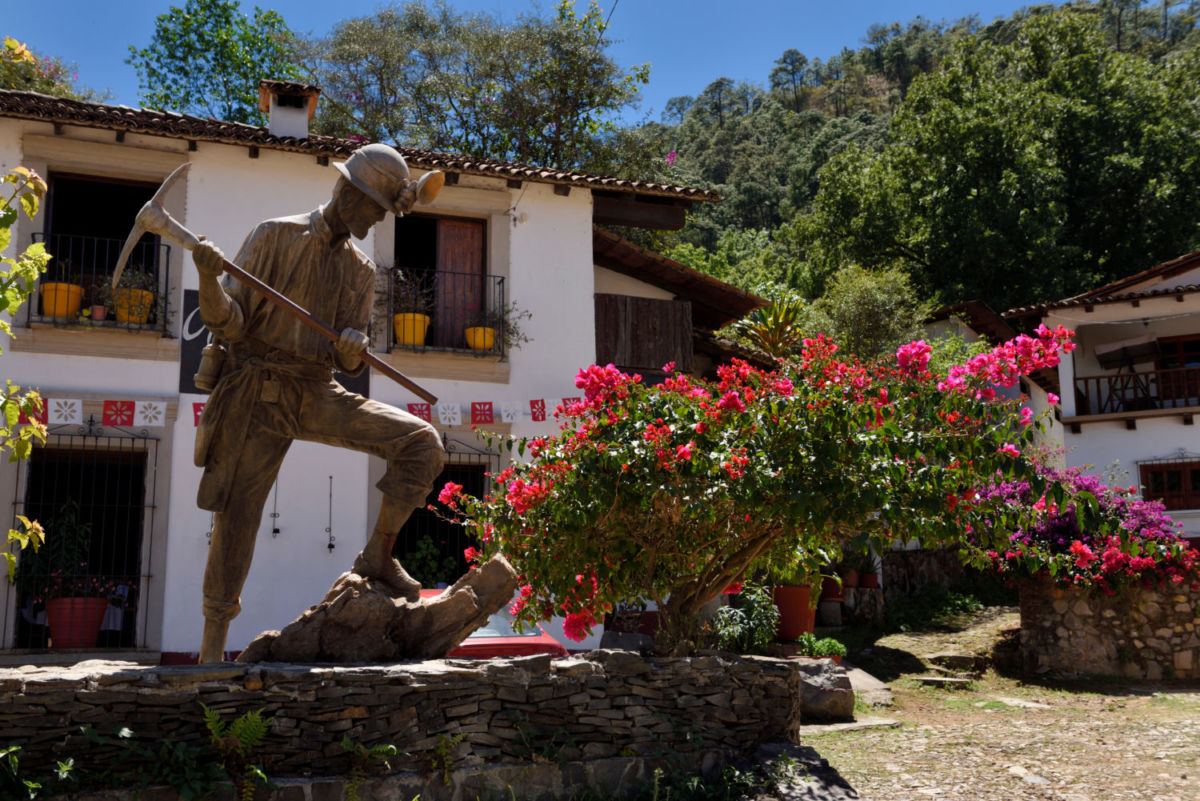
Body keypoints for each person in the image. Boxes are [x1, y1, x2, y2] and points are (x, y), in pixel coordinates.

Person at [191, 144, 446, 663]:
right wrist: (206, 278)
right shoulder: (274, 235)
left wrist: (350, 349)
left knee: (422, 442)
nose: (377, 220)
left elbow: (346, 361)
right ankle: (211, 652)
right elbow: (228, 323)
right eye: (375, 207)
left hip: (315, 391)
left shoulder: (361, 270)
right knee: (237, 518)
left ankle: (377, 555)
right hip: (257, 390)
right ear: (348, 193)